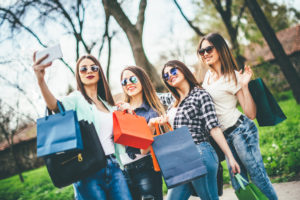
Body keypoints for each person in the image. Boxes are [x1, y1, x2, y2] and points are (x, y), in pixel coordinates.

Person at [32, 53, 132, 200]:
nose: (89, 71)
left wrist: (126, 109)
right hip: (88, 170)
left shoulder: (107, 104)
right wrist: (41, 81)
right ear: (78, 75)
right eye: (83, 69)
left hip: (114, 166)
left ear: (99, 72)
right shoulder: (76, 98)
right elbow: (55, 106)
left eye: (93, 67)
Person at [198, 32, 278, 200]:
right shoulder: (207, 76)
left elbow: (251, 114)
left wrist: (244, 86)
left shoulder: (232, 75)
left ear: (220, 49)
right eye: (201, 51)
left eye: (209, 49)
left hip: (241, 131)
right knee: (238, 183)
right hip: (225, 137)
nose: (205, 53)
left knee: (258, 177)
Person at [159, 60, 240, 200]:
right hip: (181, 159)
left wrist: (230, 157)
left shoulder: (200, 95)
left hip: (199, 152)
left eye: (173, 71)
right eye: (166, 76)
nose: (170, 76)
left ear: (183, 70)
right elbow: (152, 96)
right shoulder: (173, 100)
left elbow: (214, 128)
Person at [116, 66, 165, 200]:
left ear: (142, 80)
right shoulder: (119, 110)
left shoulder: (152, 112)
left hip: (145, 167)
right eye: (124, 82)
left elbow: (144, 149)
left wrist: (131, 114)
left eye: (132, 79)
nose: (128, 84)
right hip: (123, 170)